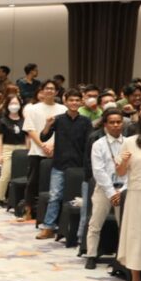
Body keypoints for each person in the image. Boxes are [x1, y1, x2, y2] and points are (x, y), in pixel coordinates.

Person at [36, 89, 92, 240]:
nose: (74, 103)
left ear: (81, 102)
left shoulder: (86, 121)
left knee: (78, 198)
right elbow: (43, 137)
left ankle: (76, 230)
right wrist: (47, 125)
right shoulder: (58, 119)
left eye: (77, 100)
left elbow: (89, 143)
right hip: (59, 164)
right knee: (55, 196)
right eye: (71, 100)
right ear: (65, 101)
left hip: (79, 165)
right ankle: (49, 227)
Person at [115, 107, 141, 281]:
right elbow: (120, 173)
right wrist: (123, 161)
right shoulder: (130, 142)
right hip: (137, 194)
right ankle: (136, 277)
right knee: (137, 234)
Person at [84, 109, 127, 269]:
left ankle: (121, 257)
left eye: (118, 122)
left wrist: (121, 191)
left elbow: (132, 169)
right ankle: (91, 255)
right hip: (104, 188)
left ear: (123, 123)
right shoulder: (98, 144)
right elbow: (98, 171)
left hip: (124, 189)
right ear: (105, 125)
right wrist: (111, 192)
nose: (115, 125)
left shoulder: (129, 143)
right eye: (112, 122)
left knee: (124, 225)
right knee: (95, 223)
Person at [21, 81, 64, 222]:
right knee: (32, 182)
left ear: (57, 92)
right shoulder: (33, 109)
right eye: (47, 88)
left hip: (56, 151)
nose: (50, 91)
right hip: (36, 150)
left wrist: (53, 146)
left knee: (53, 184)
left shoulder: (63, 109)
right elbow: (30, 129)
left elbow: (63, 132)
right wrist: (43, 145)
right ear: (42, 91)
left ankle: (47, 214)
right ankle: (28, 211)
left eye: (53, 89)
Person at [0, 94, 28, 207]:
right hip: (8, 148)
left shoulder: (24, 120)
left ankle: (20, 199)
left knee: (22, 175)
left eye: (16, 103)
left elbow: (27, 137)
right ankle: (0, 197)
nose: (14, 106)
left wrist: (28, 150)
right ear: (7, 105)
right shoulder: (3, 121)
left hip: (22, 148)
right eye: (11, 103)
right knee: (6, 174)